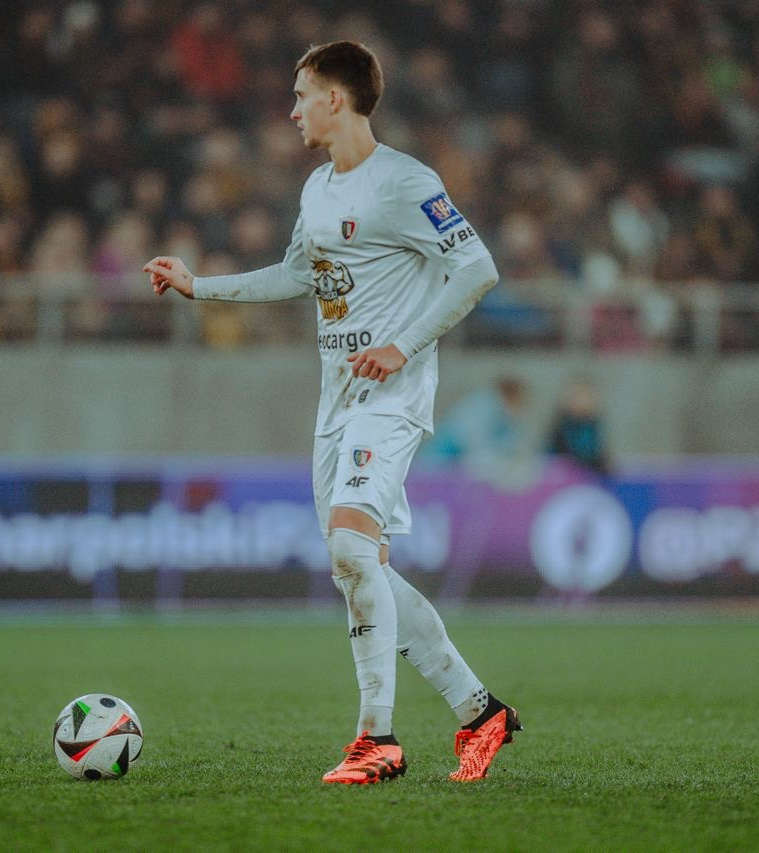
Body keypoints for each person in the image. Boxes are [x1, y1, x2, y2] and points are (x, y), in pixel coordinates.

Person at [144, 42, 519, 785]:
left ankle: (377, 740)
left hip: (393, 396)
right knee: (362, 567)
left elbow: (477, 268)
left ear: (335, 100)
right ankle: (481, 713)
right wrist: (200, 286)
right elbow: (296, 275)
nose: (292, 111)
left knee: (350, 549)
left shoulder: (407, 181)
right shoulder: (318, 188)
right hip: (338, 402)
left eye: (300, 95)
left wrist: (403, 346)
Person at [547, 375, 609, 476]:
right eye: (579, 396)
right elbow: (553, 457)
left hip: (589, 475)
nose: (584, 400)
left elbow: (598, 455)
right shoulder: (563, 424)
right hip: (565, 475)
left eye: (588, 396)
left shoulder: (594, 424)